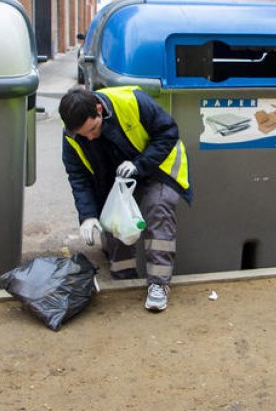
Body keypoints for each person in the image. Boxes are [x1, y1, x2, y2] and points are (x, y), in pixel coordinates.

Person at [59, 85, 192, 312]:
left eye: (93, 129)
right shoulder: (72, 134)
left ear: (99, 109)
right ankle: (124, 279)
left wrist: (139, 165)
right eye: (84, 135)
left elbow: (168, 132)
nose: (90, 138)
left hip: (158, 167)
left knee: (157, 208)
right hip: (118, 176)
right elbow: (78, 177)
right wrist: (88, 216)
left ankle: (159, 285)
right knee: (114, 221)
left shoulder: (132, 102)